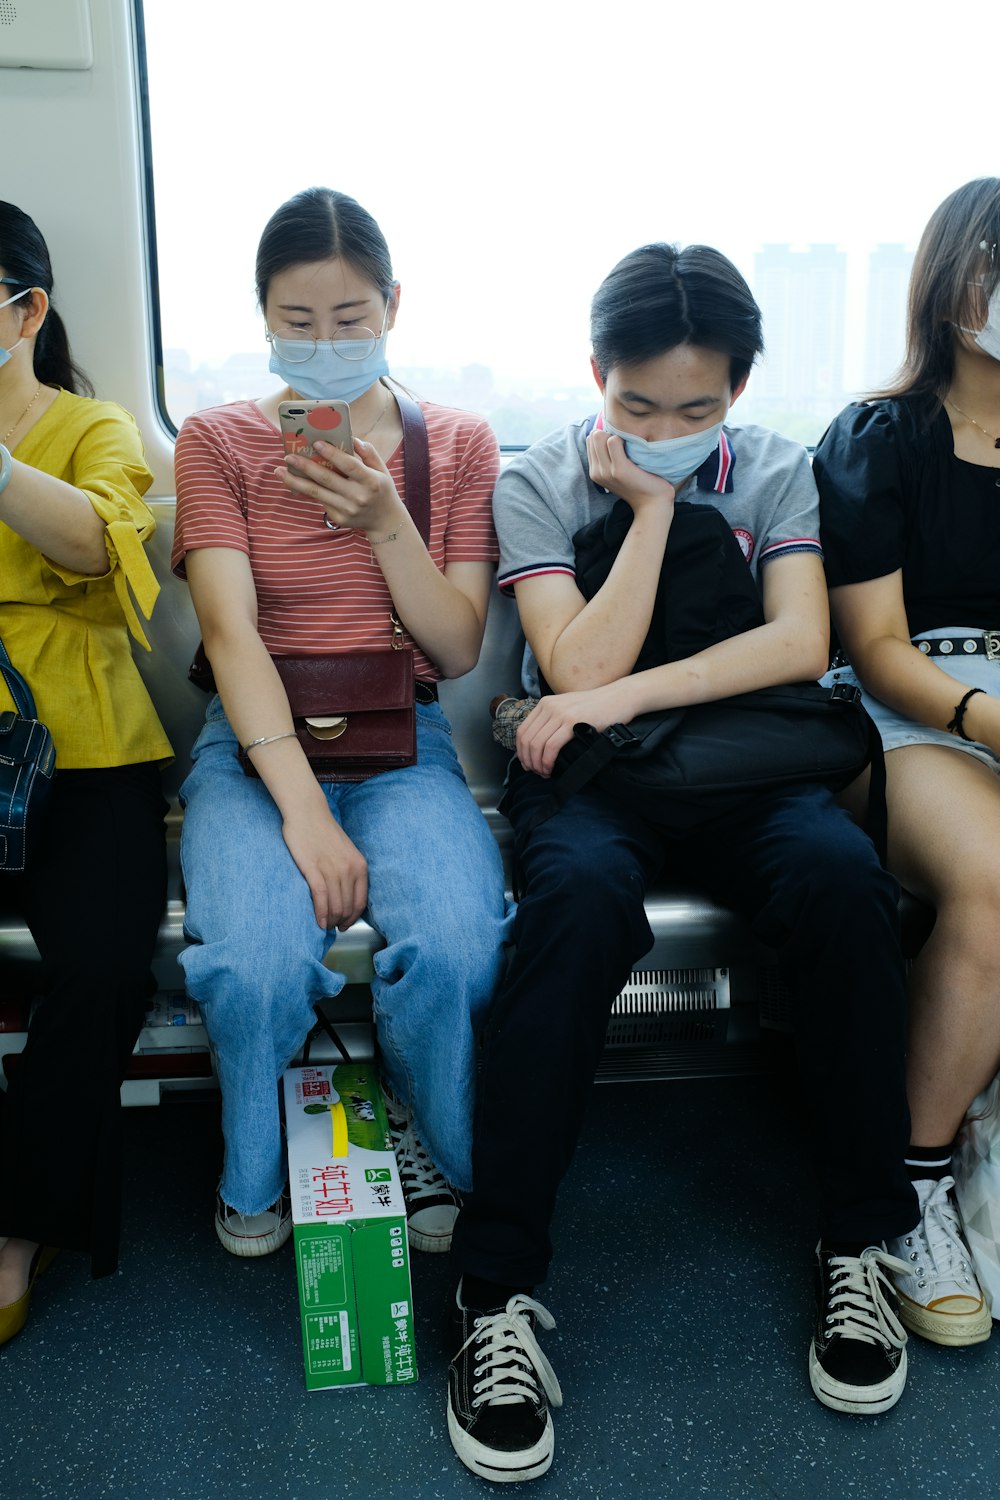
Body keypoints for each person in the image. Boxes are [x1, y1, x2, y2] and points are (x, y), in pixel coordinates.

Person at [445, 242, 921, 1484]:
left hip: (747, 769)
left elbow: (797, 641)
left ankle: (858, 1242)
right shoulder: (540, 481)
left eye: (696, 410)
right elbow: (574, 668)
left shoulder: (776, 471)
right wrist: (652, 516)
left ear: (740, 394)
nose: (664, 428)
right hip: (600, 786)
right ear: (594, 374)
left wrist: (621, 692)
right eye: (637, 405)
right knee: (574, 905)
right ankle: (495, 1288)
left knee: (840, 888)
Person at [172, 187, 512, 1260]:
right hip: (256, 744)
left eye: (351, 321)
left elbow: (455, 649)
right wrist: (308, 817)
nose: (325, 347)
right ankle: (253, 1160)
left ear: (393, 307)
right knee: (256, 960)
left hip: (400, 739)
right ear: (265, 317)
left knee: (458, 945)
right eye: (300, 325)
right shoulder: (217, 441)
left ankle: (426, 1127)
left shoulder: (454, 443)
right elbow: (229, 638)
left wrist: (386, 522)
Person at [812, 177, 1000, 1353]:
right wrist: (983, 716)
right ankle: (914, 1192)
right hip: (912, 712)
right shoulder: (878, 438)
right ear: (953, 282)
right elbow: (875, 649)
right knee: (995, 882)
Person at [0, 202, 171, 1342]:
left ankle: (20, 1227)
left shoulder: (95, 427)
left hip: (84, 747)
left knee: (104, 965)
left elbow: (97, 545)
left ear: (25, 310)